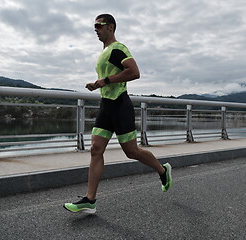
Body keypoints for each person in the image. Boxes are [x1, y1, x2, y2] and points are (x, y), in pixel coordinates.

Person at [64, 14, 172, 214]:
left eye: (99, 25)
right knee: (96, 149)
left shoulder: (118, 49)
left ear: (110, 27)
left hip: (120, 105)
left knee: (131, 152)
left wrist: (104, 81)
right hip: (106, 106)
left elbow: (134, 72)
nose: (95, 29)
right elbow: (108, 79)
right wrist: (97, 84)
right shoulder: (104, 52)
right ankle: (90, 200)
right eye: (94, 26)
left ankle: (163, 170)